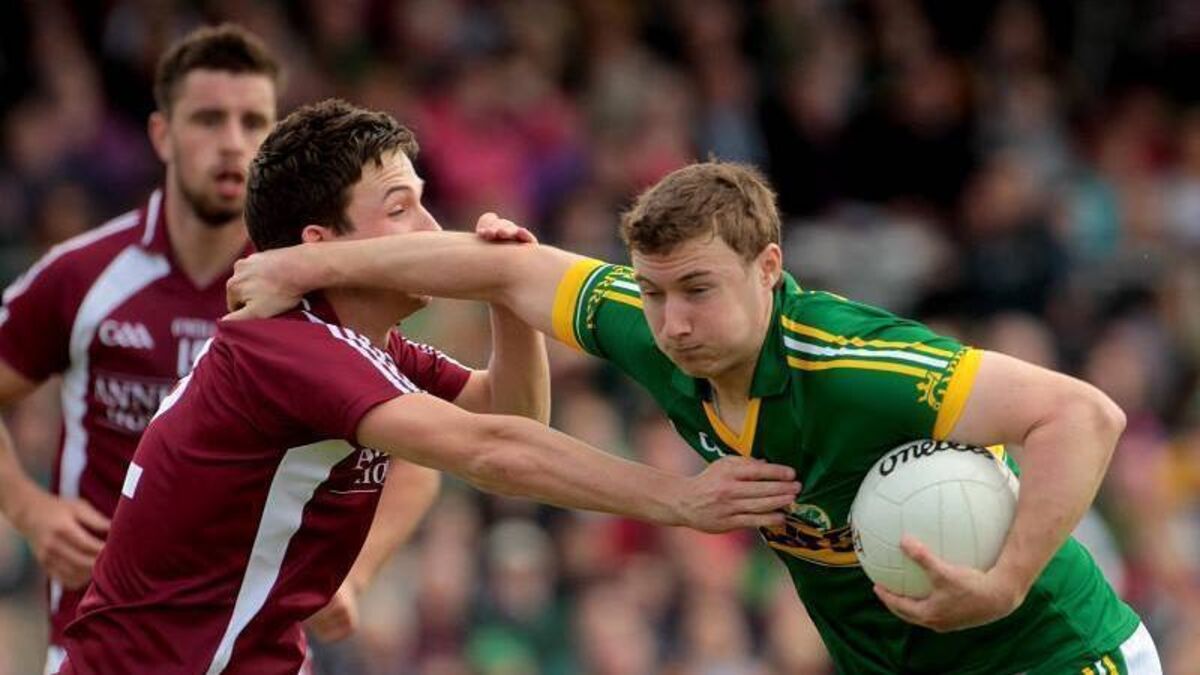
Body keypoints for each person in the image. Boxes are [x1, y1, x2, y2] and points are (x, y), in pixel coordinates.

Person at [228, 159, 1165, 673]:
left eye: (699, 290)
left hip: (1057, 654)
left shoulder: (856, 365)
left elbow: (1083, 414)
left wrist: (1002, 582)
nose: (672, 322)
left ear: (768, 268)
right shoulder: (656, 329)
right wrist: (306, 267)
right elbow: (503, 265)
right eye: (653, 291)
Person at [55, 100, 799, 674]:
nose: (433, 228)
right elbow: (494, 451)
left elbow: (511, 415)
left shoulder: (366, 344)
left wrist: (503, 294)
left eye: (424, 200)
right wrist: (680, 499)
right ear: (322, 248)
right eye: (399, 208)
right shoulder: (288, 349)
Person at [0, 25, 412, 673]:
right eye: (208, 119)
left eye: (253, 123)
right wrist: (30, 509)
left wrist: (356, 576)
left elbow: (418, 448)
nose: (232, 143)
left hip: (258, 656)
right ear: (162, 134)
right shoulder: (84, 277)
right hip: (103, 650)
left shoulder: (315, 289)